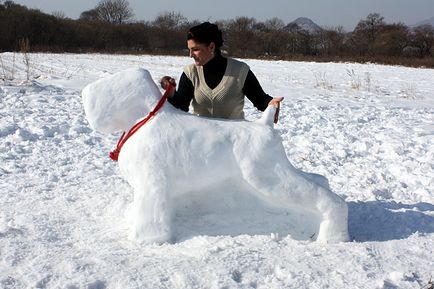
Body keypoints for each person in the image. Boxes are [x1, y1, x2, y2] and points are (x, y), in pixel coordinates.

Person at [161, 21, 283, 120]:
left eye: (195, 49)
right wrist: (171, 93)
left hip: (234, 142)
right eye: (189, 50)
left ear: (212, 47)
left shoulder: (240, 70)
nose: (190, 55)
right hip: (201, 142)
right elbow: (181, 107)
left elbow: (260, 100)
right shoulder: (190, 73)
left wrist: (270, 103)